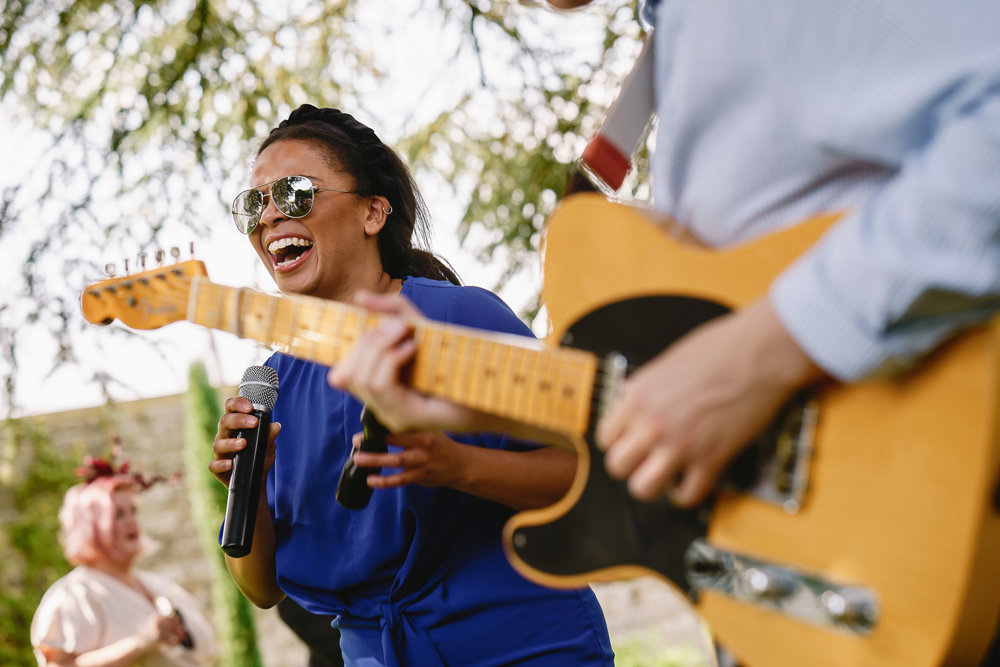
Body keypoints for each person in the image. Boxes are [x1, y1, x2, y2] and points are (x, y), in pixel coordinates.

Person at [329, 1, 1000, 663]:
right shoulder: (681, 33)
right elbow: (681, 361)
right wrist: (473, 404)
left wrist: (760, 354)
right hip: (817, 578)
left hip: (946, 522)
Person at [210, 103, 614, 666]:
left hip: (521, 645)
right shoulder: (271, 382)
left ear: (373, 212)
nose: (270, 216)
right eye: (255, 203)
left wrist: (459, 468)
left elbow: (595, 478)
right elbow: (260, 588)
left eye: (296, 192)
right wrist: (248, 486)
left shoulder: (460, 317)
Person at [31, 451, 218, 666]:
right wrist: (142, 641)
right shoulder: (74, 595)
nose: (131, 521)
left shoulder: (158, 584)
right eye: (117, 514)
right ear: (89, 527)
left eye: (133, 511)